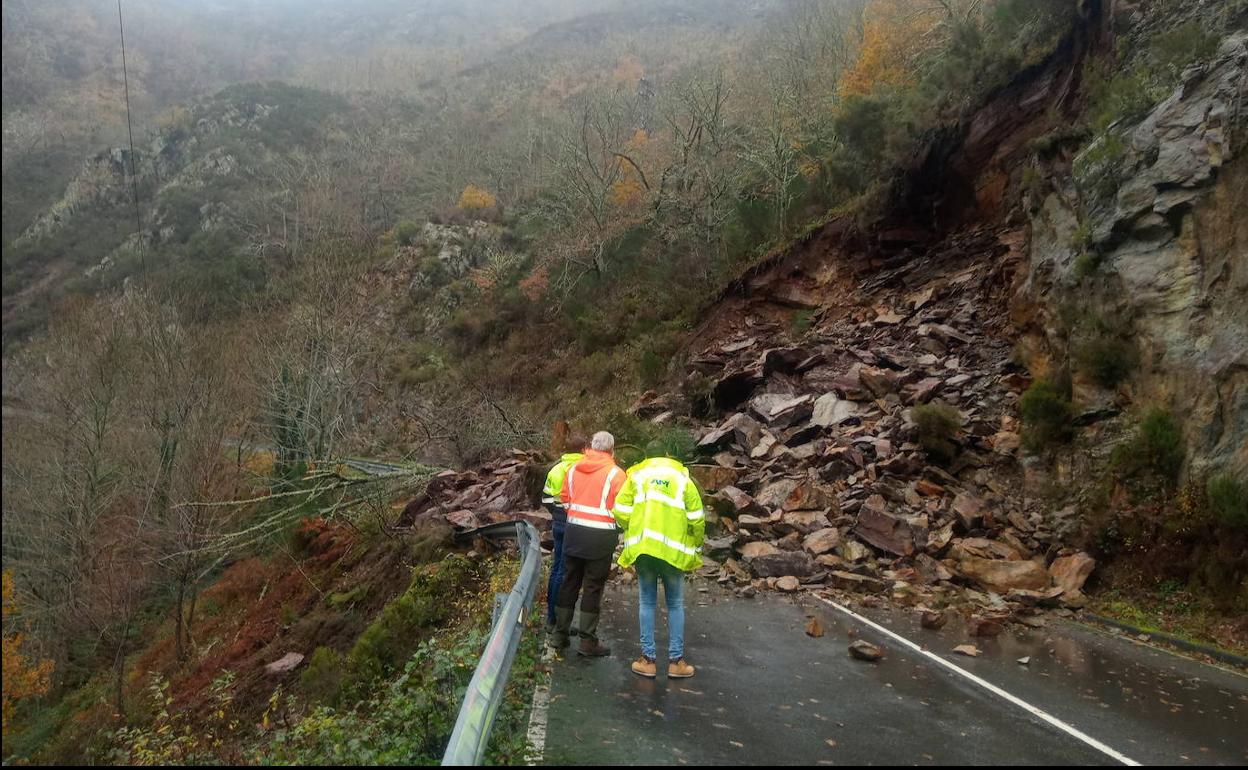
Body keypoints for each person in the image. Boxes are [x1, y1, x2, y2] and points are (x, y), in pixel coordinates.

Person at [612, 445, 705, 678]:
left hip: (644, 549)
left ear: (646, 457)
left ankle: (648, 660)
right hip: (673, 552)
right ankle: (676, 662)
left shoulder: (637, 476)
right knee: (675, 604)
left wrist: (635, 526)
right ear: (667, 456)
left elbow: (620, 510)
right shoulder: (683, 479)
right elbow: (697, 517)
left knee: (646, 602)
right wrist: (695, 542)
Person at [550, 431, 625, 656]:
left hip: (574, 533)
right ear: (611, 450)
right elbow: (621, 508)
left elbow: (564, 498)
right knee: (593, 587)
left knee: (569, 581)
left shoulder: (573, 469)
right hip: (601, 537)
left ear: (591, 447)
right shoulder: (616, 474)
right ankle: (587, 641)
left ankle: (559, 635)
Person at [540, 434, 588, 632]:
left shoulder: (556, 469)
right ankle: (563, 622)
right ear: (584, 449)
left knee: (557, 569)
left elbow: (546, 499)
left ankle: (552, 618)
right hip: (578, 523)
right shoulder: (585, 469)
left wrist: (558, 513)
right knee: (572, 573)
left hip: (559, 521)